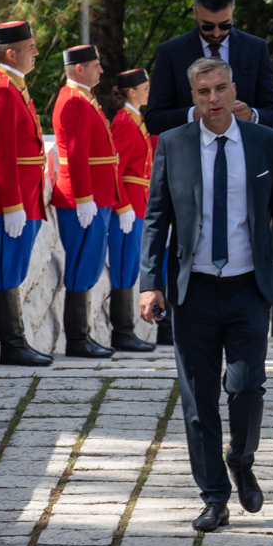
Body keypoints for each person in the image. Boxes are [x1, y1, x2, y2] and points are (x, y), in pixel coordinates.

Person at [139, 57, 273, 532]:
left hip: (249, 287)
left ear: (234, 89)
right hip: (192, 290)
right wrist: (150, 283)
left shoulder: (263, 141)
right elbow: (156, 218)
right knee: (198, 399)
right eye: (203, 92)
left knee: (246, 387)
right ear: (193, 97)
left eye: (220, 89)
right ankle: (214, 495)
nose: (213, 99)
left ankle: (241, 458)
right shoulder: (173, 143)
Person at [0, 19, 52, 367]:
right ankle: (12, 343)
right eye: (30, 48)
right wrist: (11, 205)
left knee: (16, 267)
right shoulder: (1, 90)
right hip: (16, 197)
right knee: (8, 269)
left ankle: (17, 340)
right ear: (11, 53)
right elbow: (1, 152)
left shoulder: (13, 85)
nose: (35, 52)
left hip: (27, 192)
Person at [50, 45, 122, 359]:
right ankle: (77, 339)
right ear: (79, 69)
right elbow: (76, 154)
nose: (101, 70)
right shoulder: (75, 102)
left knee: (89, 264)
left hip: (96, 195)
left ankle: (83, 335)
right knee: (82, 266)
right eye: (95, 65)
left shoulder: (83, 98)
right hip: (85, 197)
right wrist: (84, 198)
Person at [145, 0, 273, 134]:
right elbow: (154, 120)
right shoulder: (171, 52)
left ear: (232, 11)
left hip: (244, 146)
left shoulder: (256, 49)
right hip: (191, 147)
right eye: (208, 26)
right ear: (195, 13)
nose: (216, 33)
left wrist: (252, 116)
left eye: (225, 25)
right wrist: (193, 115)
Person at [106, 68, 156, 354]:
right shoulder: (125, 121)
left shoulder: (136, 119)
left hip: (139, 202)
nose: (149, 91)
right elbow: (117, 166)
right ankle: (122, 332)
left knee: (130, 266)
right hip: (129, 205)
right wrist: (122, 204)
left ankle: (126, 331)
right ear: (132, 92)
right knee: (124, 268)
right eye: (145, 87)